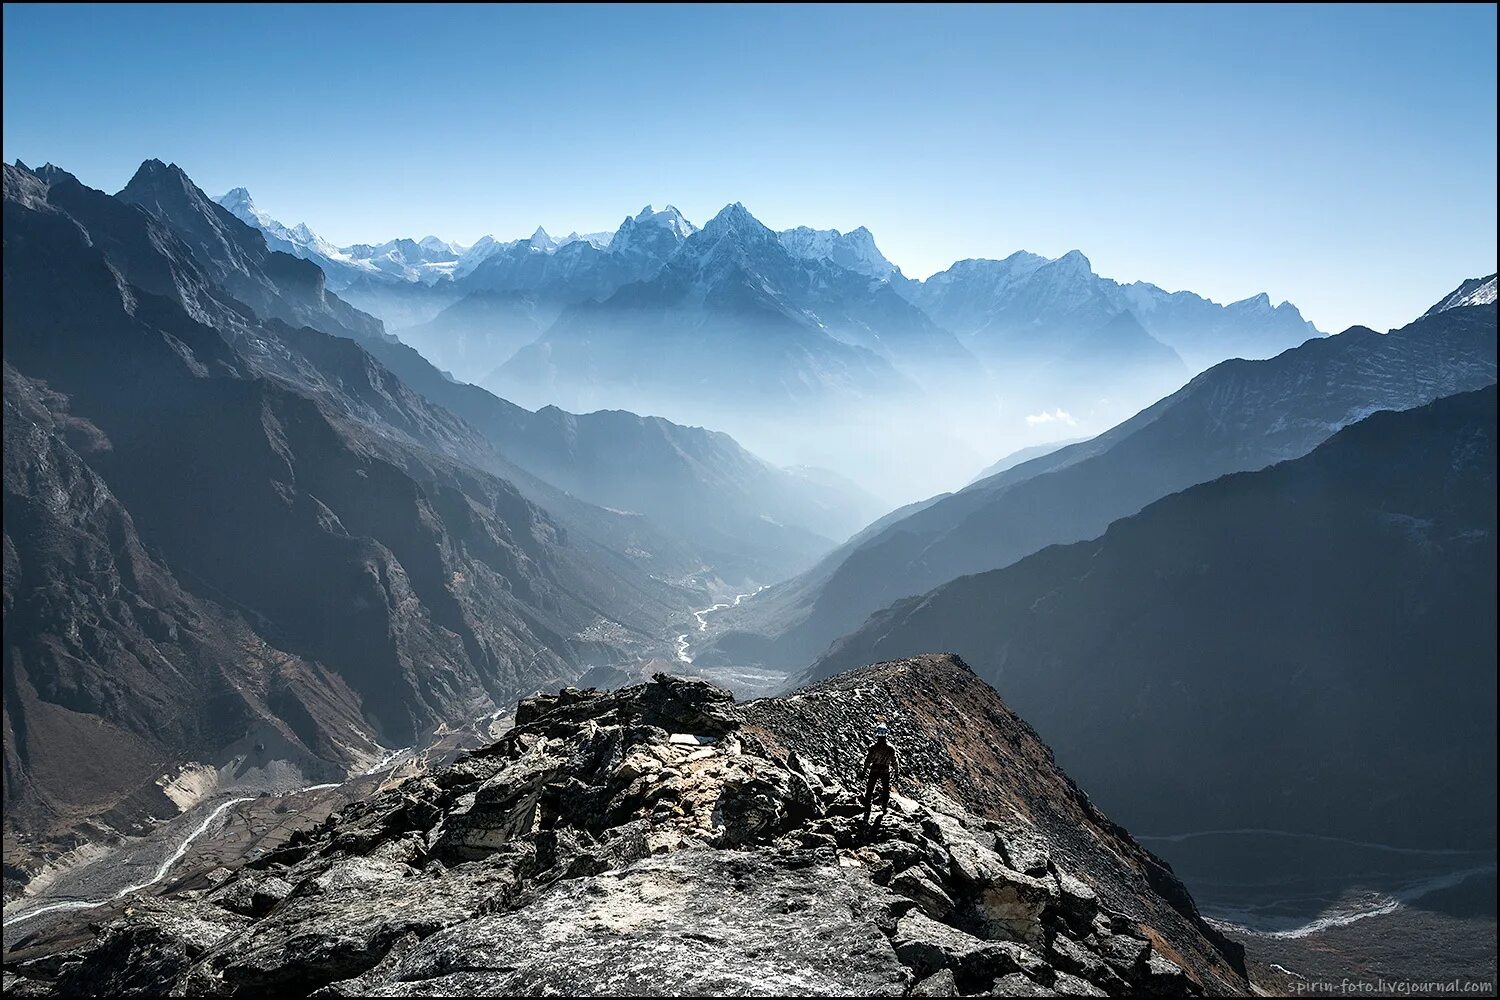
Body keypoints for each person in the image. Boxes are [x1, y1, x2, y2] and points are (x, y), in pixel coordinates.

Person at [861, 723, 899, 823]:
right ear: (886, 734)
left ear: (877, 734)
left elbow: (868, 761)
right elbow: (894, 762)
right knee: (885, 790)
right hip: (885, 771)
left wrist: (864, 771)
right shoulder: (891, 748)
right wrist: (896, 772)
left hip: (874, 770)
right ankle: (884, 807)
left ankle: (867, 807)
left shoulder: (873, 747)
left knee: (870, 789)